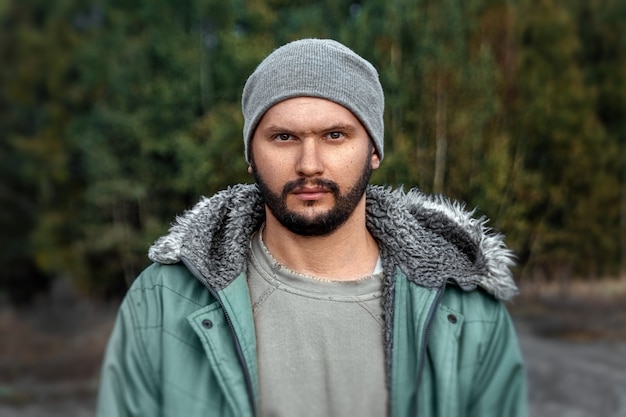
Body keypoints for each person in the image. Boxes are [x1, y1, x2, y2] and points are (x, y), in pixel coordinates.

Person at [96, 39, 528, 417]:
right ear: (251, 155)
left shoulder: (465, 311)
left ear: (374, 150)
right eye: (283, 137)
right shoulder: (163, 303)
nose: (309, 164)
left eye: (335, 136)